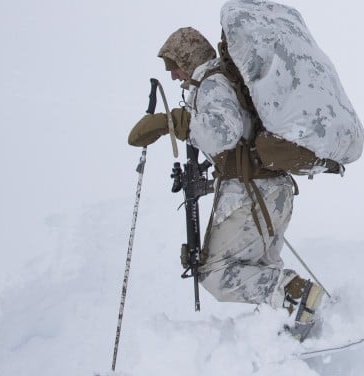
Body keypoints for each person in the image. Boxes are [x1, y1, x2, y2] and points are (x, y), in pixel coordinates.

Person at [127, 26, 323, 338]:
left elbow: (223, 133)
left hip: (253, 194)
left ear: (188, 57)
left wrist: (175, 123)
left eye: (174, 65)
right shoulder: (226, 82)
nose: (174, 75)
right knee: (258, 268)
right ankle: (291, 332)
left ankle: (297, 294)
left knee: (215, 273)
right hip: (272, 190)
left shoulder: (213, 83)